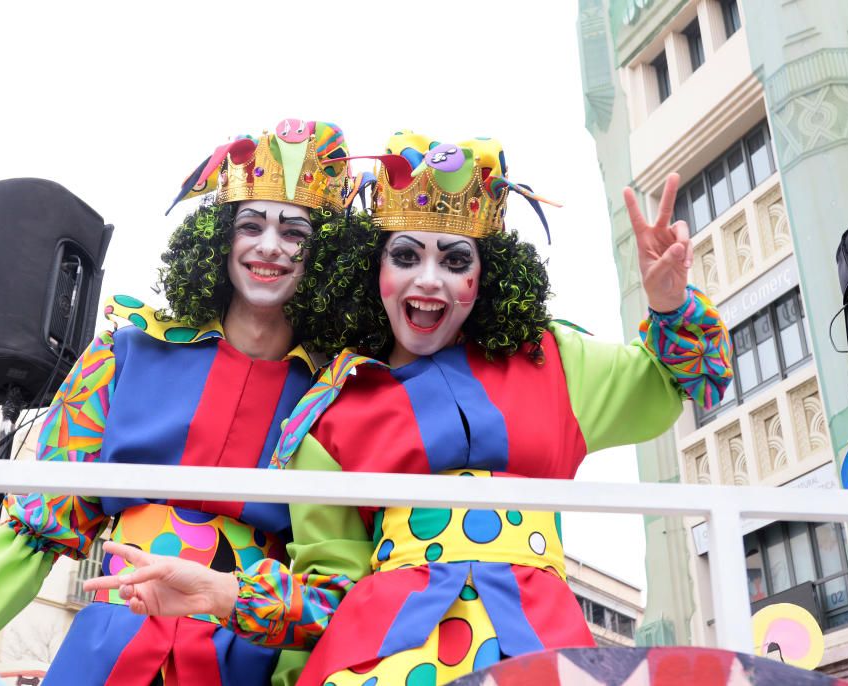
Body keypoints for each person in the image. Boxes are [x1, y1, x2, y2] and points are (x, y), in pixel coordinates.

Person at [83, 131, 733, 685]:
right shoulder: (328, 418)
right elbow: (325, 595)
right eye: (405, 255)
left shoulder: (557, 360)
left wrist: (669, 304)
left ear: (489, 276)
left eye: (455, 260)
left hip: (540, 645)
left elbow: (694, 383)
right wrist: (222, 593)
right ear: (375, 272)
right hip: (382, 654)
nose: (428, 280)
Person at [0, 119, 363, 686]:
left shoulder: (337, 390)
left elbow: (333, 573)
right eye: (251, 224)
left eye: (296, 231)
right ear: (220, 236)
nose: (269, 247)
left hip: (244, 654)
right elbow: (40, 525)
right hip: (110, 642)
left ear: (331, 253)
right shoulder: (127, 352)